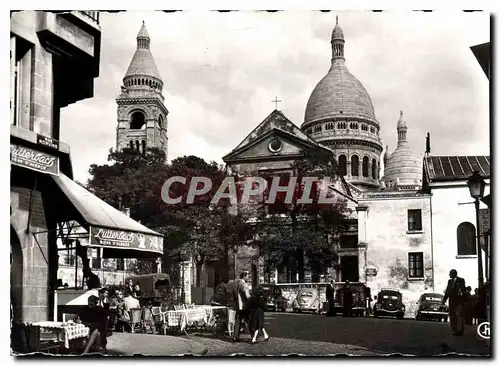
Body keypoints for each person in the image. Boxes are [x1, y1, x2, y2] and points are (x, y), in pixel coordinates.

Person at [441, 269, 467, 336]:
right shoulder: (449, 281)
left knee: (459, 316)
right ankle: (454, 330)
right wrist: (444, 300)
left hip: (459, 301)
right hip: (452, 301)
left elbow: (463, 289)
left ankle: (460, 330)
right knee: (452, 316)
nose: (449, 275)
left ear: (454, 274)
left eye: (450, 273)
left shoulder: (461, 280)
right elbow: (447, 291)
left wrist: (461, 292)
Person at [231, 271, 250, 342]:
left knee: (238, 321)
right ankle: (254, 336)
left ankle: (235, 337)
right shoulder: (243, 283)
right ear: (244, 276)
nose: (248, 277)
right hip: (244, 306)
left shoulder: (235, 283)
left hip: (238, 305)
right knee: (249, 320)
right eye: (247, 276)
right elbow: (247, 295)